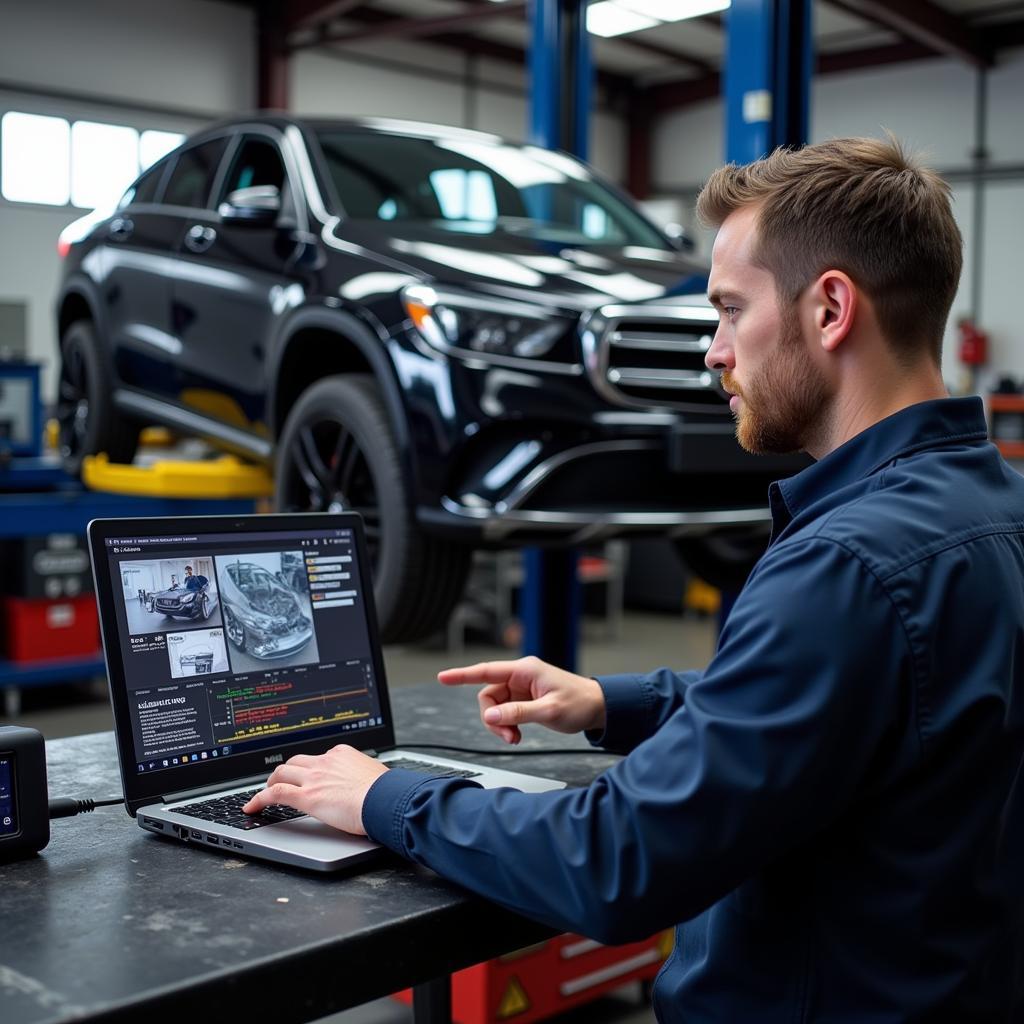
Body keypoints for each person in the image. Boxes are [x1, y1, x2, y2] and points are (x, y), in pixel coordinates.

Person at [244, 137, 1024, 1021]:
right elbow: (871, 706)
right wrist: (617, 702)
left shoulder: (843, 566)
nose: (713, 353)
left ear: (832, 308)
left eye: (730, 311)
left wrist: (386, 795)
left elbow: (618, 860)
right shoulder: (996, 513)